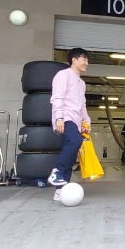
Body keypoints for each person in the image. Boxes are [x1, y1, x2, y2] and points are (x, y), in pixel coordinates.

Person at [48, 48, 91, 201]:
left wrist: (87, 121)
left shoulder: (81, 83)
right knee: (75, 141)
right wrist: (59, 118)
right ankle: (57, 171)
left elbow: (82, 105)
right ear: (74, 59)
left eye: (87, 60)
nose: (87, 62)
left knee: (71, 155)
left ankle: (60, 190)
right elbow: (57, 97)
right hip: (65, 118)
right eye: (84, 59)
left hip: (77, 121)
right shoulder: (63, 75)